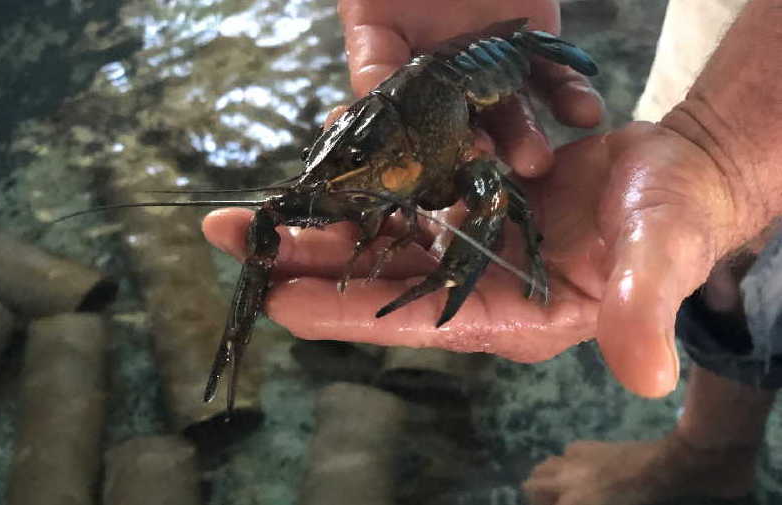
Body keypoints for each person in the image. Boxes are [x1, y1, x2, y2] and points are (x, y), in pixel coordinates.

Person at [202, 0, 782, 503]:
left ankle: (713, 448)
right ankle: (715, 444)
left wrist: (724, 150)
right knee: (714, 245)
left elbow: (486, 190)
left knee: (708, 226)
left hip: (484, 62)